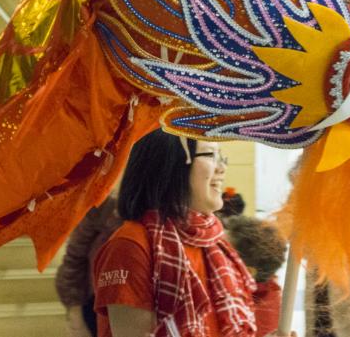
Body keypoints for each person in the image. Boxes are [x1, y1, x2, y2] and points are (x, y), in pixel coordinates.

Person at [92, 129, 284, 337]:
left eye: (221, 156)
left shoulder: (216, 243)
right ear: (170, 166)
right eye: (210, 155)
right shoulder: (130, 246)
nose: (222, 167)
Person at [56, 194, 123, 337]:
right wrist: (75, 313)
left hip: (136, 305)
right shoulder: (105, 207)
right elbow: (74, 259)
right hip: (95, 305)